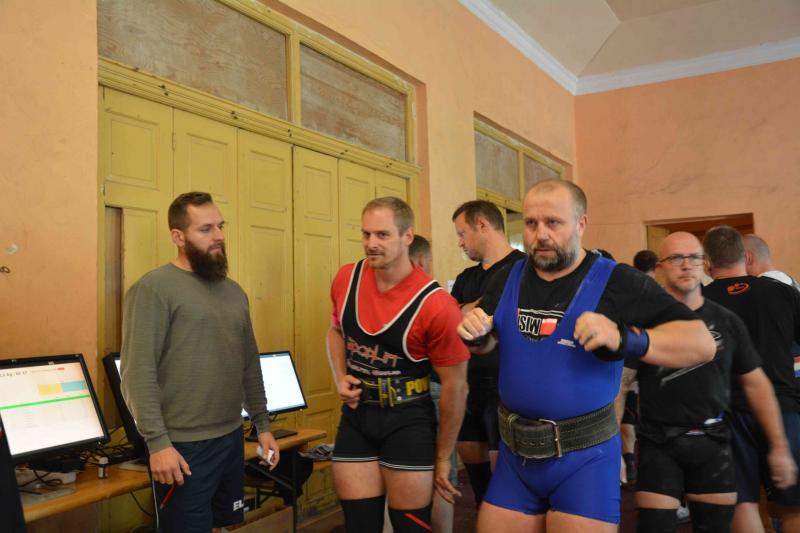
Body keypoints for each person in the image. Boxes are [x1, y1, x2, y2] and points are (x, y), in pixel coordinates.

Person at [457, 179, 716, 532]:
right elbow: (489, 341)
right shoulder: (508, 277)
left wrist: (625, 339)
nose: (540, 234)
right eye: (531, 223)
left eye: (553, 222)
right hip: (515, 458)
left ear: (581, 224)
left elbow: (702, 343)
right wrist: (476, 335)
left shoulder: (617, 280)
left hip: (584, 461)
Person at [121, 191, 279, 533]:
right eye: (206, 229)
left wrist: (262, 425)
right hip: (182, 446)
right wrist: (157, 443)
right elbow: (137, 373)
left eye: (220, 226)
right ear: (178, 237)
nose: (218, 235)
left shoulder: (234, 292)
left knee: (222, 525)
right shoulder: (153, 289)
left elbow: (248, 365)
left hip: (230, 437)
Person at [621, 232, 796, 533]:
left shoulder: (726, 319)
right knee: (658, 523)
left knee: (738, 514)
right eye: (676, 258)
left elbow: (757, 384)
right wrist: (613, 450)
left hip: (721, 434)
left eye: (693, 257)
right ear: (660, 267)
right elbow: (621, 384)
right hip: (664, 440)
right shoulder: (645, 320)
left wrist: (779, 445)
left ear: (705, 263)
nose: (686, 265)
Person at [327, 197, 469, 533]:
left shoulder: (437, 305)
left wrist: (442, 458)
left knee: (410, 526)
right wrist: (340, 376)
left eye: (382, 235)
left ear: (407, 236)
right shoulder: (346, 278)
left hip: (409, 419)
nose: (371, 243)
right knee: (359, 524)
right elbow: (335, 331)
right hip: (358, 415)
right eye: (366, 234)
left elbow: (456, 388)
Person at [703, 225, 800, 533]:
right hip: (782, 406)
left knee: (743, 502)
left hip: (727, 412)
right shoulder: (782, 292)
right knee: (793, 504)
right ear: (744, 256)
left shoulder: (700, 301)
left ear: (707, 262)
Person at [450, 200, 526, 506]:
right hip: (468, 385)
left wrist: (467, 310)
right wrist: (478, 307)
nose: (460, 242)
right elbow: (448, 318)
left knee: (507, 486)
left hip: (506, 388)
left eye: (462, 233)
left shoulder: (523, 269)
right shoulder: (466, 278)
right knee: (480, 489)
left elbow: (485, 315)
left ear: (482, 224)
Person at [408, 234, 459, 533]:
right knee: (443, 477)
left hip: (401, 395)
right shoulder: (438, 300)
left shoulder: (390, 300)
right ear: (422, 261)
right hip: (434, 389)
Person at [619, 249, 658, 487]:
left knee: (621, 414)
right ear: (657, 266)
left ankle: (627, 464)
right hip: (652, 359)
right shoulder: (660, 291)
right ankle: (635, 463)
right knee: (640, 414)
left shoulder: (628, 288)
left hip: (627, 360)